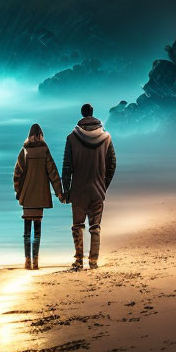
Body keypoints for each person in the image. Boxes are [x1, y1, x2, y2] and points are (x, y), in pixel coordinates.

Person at [62, 103, 116, 270]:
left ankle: (78, 261)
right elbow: (112, 165)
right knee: (95, 227)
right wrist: (104, 185)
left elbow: (66, 167)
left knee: (77, 226)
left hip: (78, 190)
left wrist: (66, 190)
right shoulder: (106, 138)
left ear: (82, 114)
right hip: (97, 190)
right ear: (93, 114)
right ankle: (93, 261)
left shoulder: (71, 138)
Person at [13, 123, 63, 270]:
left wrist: (19, 192)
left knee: (26, 231)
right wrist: (59, 191)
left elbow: (17, 175)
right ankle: (36, 261)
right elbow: (53, 173)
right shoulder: (45, 150)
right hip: (40, 197)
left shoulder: (25, 151)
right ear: (41, 134)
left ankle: (27, 261)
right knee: (38, 231)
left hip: (27, 197)